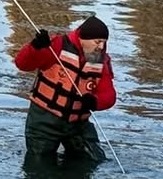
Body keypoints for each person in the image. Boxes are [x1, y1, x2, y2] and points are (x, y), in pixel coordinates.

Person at [13, 15, 116, 163]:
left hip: (78, 125)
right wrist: (35, 47)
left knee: (94, 160)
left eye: (104, 42)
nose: (101, 47)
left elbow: (109, 95)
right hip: (44, 120)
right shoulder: (56, 46)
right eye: (98, 42)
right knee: (39, 163)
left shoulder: (102, 61)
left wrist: (94, 102)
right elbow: (23, 64)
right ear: (82, 38)